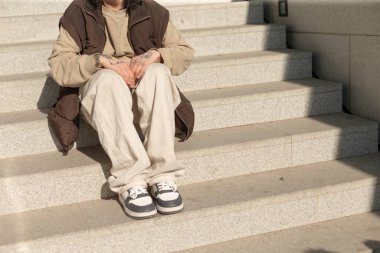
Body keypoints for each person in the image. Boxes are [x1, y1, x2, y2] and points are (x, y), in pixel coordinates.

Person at [48, 0, 194, 219]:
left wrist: (155, 54)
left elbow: (183, 51)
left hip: (144, 95)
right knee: (108, 79)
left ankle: (163, 175)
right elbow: (60, 64)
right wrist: (99, 61)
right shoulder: (79, 11)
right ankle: (131, 180)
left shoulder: (152, 10)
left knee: (158, 73)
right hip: (105, 100)